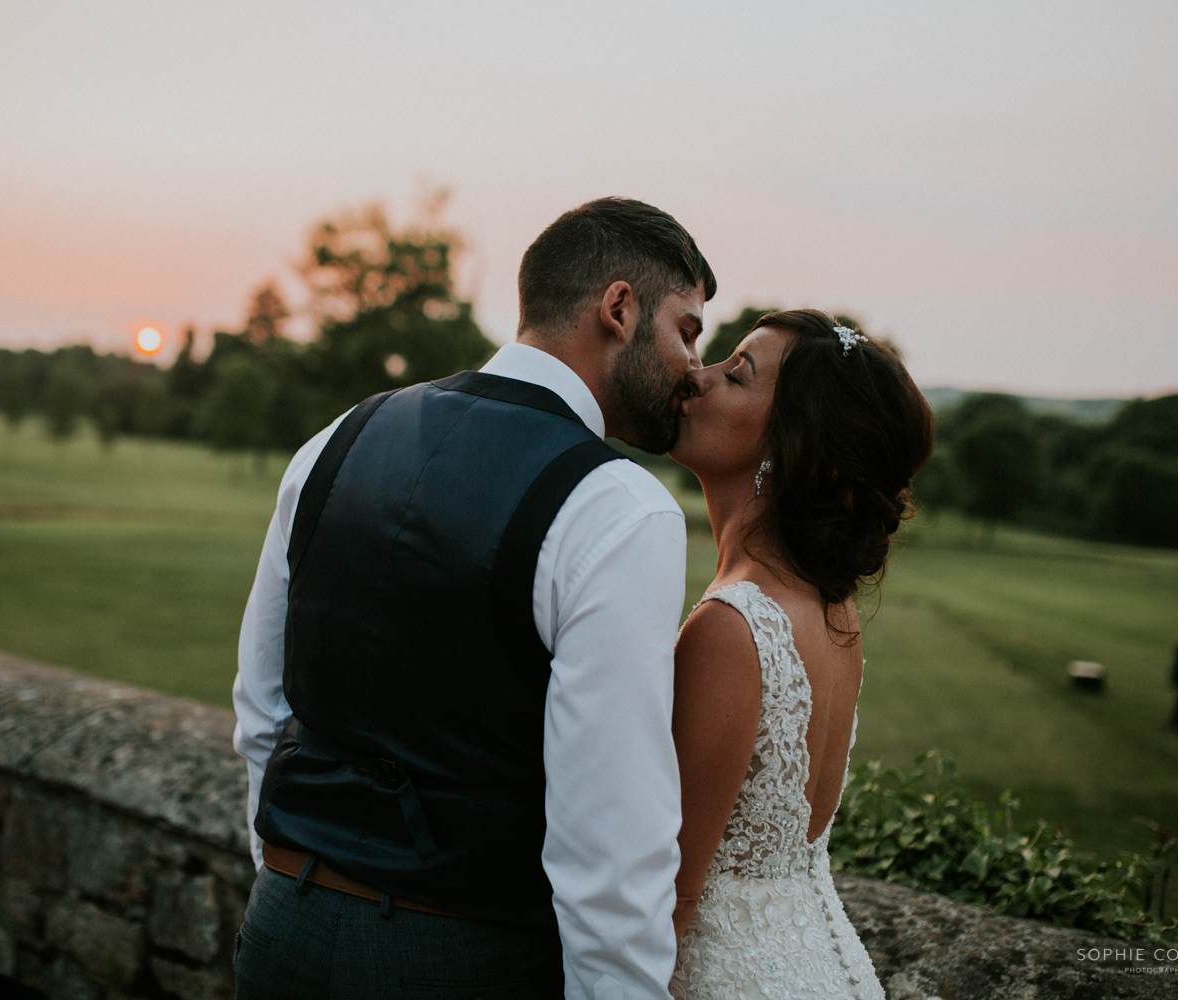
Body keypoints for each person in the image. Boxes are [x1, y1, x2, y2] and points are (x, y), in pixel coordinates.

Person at [232, 197, 715, 998]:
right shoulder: (618, 508)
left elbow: (263, 707)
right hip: (459, 960)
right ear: (620, 309)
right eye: (688, 330)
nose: (694, 368)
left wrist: (286, 877)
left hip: (281, 927)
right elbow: (610, 840)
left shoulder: (338, 437)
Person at [666, 310, 933, 999]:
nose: (697, 376)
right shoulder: (832, 609)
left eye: (737, 374)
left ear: (788, 444)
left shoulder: (733, 626)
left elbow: (670, 894)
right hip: (826, 967)